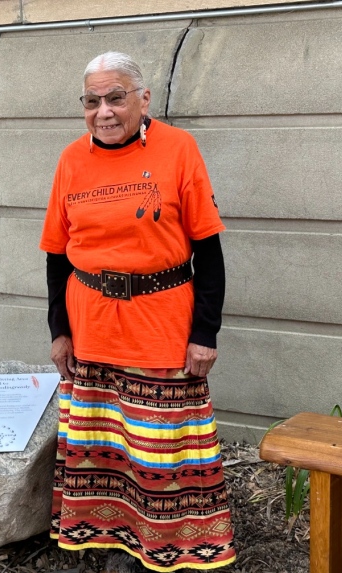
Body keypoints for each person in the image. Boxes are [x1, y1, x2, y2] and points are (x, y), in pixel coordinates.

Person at [40, 52, 236, 573]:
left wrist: (205, 333)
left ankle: (163, 549)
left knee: (157, 454)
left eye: (116, 97)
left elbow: (208, 253)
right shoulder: (70, 160)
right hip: (91, 330)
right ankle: (108, 543)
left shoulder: (179, 149)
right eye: (92, 101)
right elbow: (57, 257)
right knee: (98, 447)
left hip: (162, 329)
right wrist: (60, 332)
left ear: (143, 99)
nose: (104, 111)